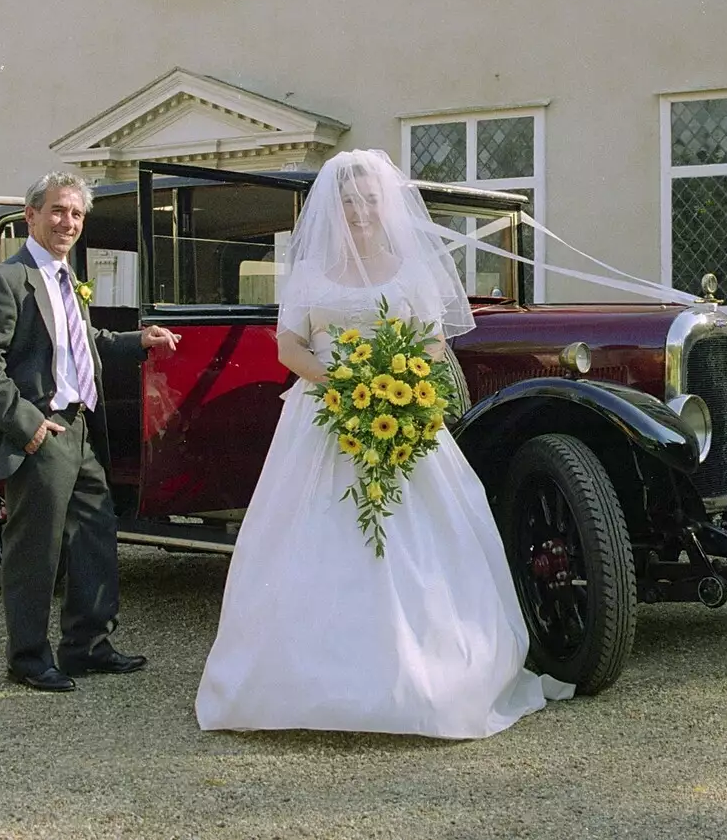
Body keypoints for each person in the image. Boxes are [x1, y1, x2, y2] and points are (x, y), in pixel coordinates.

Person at [195, 149, 571, 738]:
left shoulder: (408, 268)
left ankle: (429, 673)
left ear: (386, 204)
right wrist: (341, 383)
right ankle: (302, 681)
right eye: (348, 201)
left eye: (369, 199)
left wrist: (396, 393)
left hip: (401, 412)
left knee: (417, 537)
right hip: (321, 418)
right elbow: (289, 348)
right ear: (333, 208)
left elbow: (429, 345)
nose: (360, 210)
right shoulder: (312, 272)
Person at [0, 170, 180, 693]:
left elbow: (85, 341)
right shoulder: (6, 280)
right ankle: (28, 659)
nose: (68, 222)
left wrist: (138, 340)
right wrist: (29, 427)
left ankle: (88, 647)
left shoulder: (65, 278)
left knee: (96, 538)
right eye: (58, 210)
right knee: (36, 551)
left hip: (82, 430)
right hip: (43, 431)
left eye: (77, 214)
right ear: (31, 214)